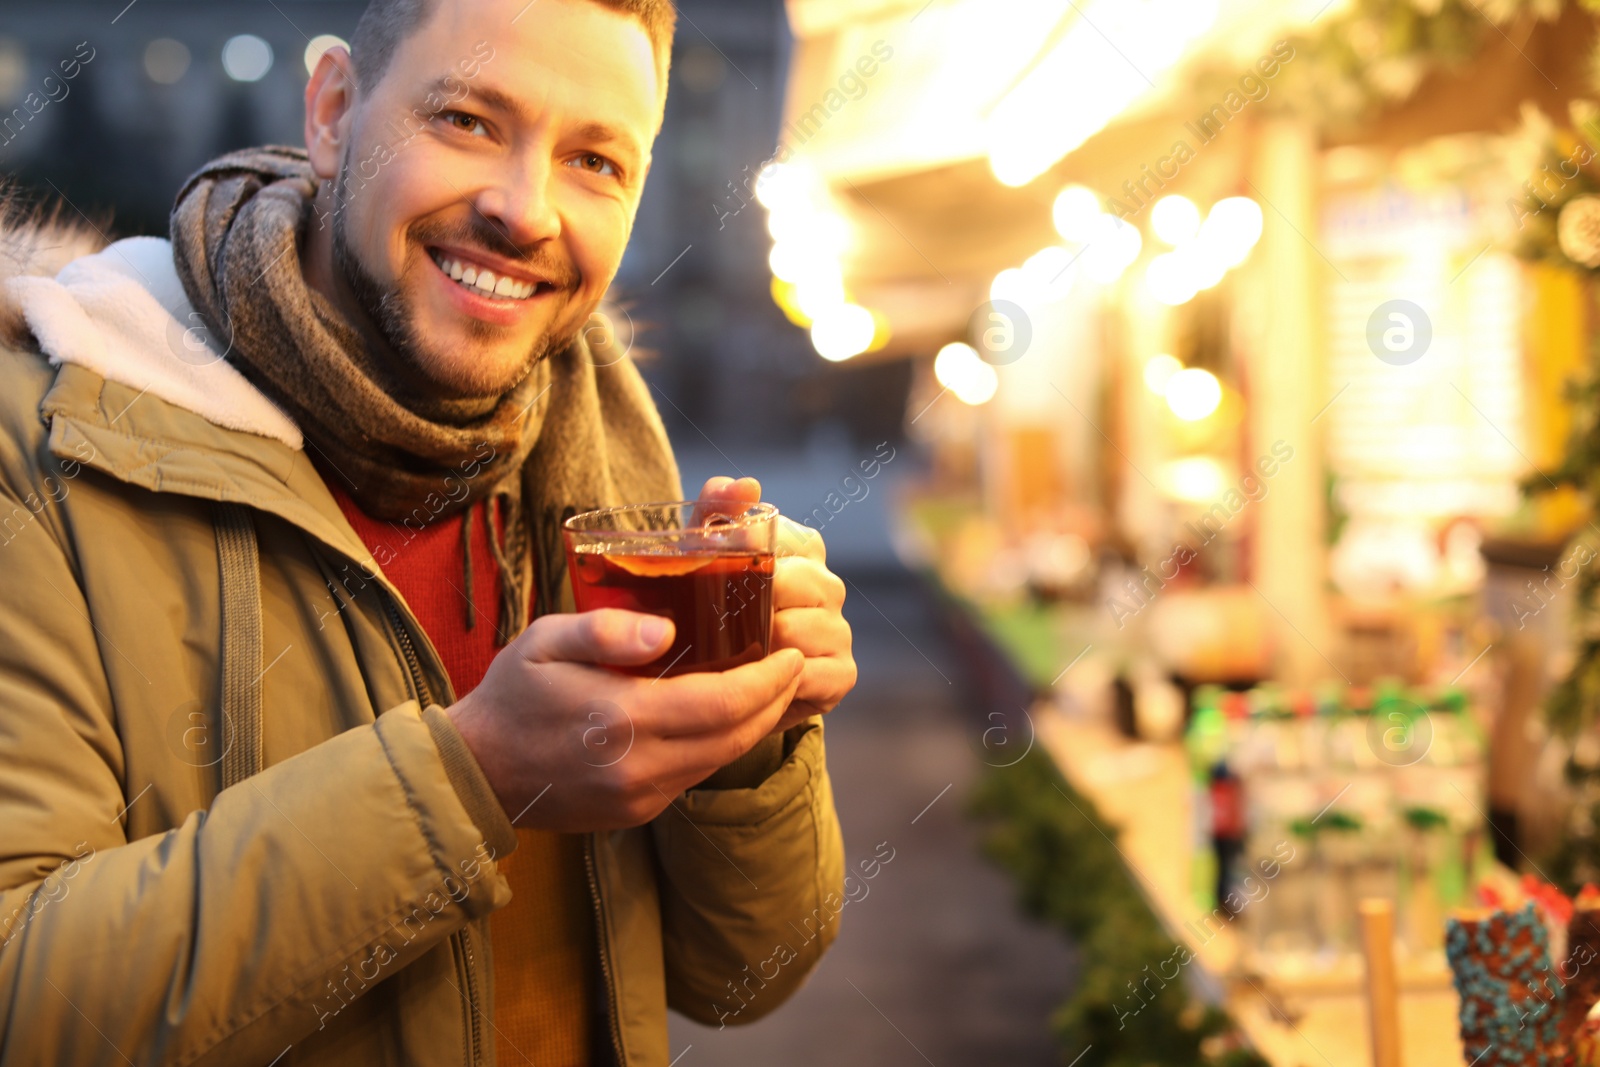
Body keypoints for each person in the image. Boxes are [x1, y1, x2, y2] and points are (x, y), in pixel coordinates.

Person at [0, 0, 853, 1063]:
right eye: (466, 120)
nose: (524, 208)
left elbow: (738, 979)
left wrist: (749, 727)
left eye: (596, 161)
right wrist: (472, 778)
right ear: (332, 112)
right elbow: (27, 1002)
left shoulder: (602, 448)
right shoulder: (42, 442)